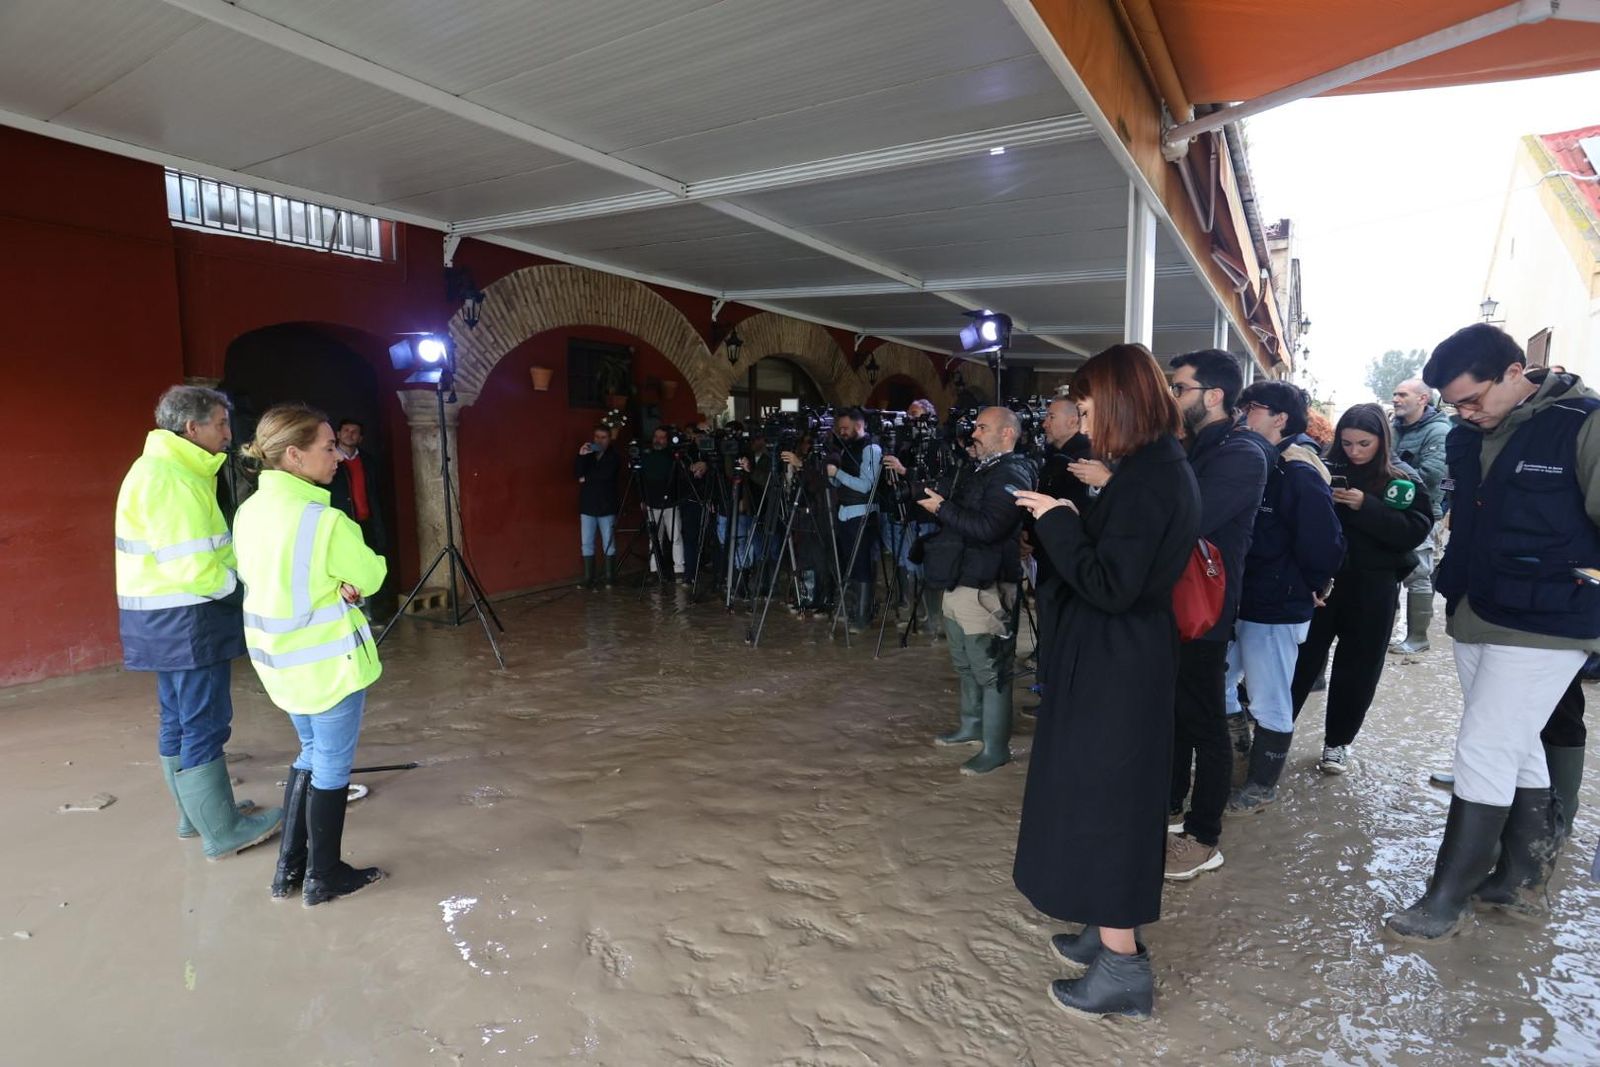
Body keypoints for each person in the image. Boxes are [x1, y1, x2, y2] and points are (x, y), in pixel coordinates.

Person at [1386, 326, 1600, 940]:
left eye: (1473, 398)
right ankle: (1519, 878)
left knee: (1482, 745)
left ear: (1515, 372)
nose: (1465, 412)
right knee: (1514, 740)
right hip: (1479, 609)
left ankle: (1446, 896)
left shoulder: (1583, 423)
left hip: (1551, 620)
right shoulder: (1462, 436)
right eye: (1455, 404)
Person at [1010, 344, 1200, 1020]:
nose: (1084, 422)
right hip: (1117, 658)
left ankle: (1122, 966)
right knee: (1093, 795)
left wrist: (1058, 520)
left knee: (1110, 803)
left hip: (1119, 663)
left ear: (1119, 401)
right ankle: (1103, 924)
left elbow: (1112, 584)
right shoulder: (1151, 467)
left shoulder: (1153, 477)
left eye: (1088, 408)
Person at [115, 385, 283, 858]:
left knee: (178, 719)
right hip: (186, 619)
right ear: (192, 428)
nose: (229, 434)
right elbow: (195, 566)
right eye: (221, 424)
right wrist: (248, 593)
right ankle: (223, 831)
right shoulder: (173, 478)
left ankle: (198, 815)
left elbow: (202, 550)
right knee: (206, 722)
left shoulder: (159, 469)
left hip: (160, 618)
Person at [235, 404, 388, 906]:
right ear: (296, 456)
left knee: (309, 753)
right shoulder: (326, 521)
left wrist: (330, 584)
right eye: (328, 447)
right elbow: (372, 576)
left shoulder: (249, 510)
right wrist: (347, 583)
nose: (339, 456)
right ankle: (325, 876)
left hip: (278, 662)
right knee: (332, 768)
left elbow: (279, 578)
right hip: (327, 667)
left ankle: (288, 870)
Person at [1164, 350, 1270, 881]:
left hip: (1204, 612)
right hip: (1176, 605)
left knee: (1206, 721)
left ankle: (1205, 837)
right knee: (1178, 714)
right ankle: (1174, 810)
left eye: (1179, 388)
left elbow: (1187, 519)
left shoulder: (1242, 453)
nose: (1172, 396)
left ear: (1213, 396)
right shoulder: (1197, 446)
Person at [1288, 404, 1433, 774]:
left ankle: (1337, 744)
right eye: (1347, 442)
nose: (1354, 451)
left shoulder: (1402, 476)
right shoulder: (1323, 466)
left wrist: (1366, 506)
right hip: (1320, 584)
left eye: (1363, 444)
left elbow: (1415, 530)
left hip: (1374, 586)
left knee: (1359, 668)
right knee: (1298, 662)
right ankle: (1276, 735)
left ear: (1382, 441)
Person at [1224, 381, 1346, 816]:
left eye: (1253, 407)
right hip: (1242, 597)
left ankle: (1261, 785)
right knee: (1220, 682)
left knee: (1270, 697)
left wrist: (1308, 586)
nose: (1242, 414)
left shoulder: (1297, 469)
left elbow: (1327, 543)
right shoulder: (1258, 459)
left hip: (1276, 603)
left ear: (1280, 418)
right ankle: (1236, 764)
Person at [918, 407, 1036, 774]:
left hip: (986, 584)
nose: (974, 433)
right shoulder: (982, 468)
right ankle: (971, 726)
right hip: (962, 578)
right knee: (965, 663)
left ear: (1007, 434)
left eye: (983, 428)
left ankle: (996, 747)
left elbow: (989, 528)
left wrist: (942, 508)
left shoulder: (1011, 472)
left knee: (991, 669)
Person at [1028, 396, 1095, 690]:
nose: (1044, 423)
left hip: (1066, 563)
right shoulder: (1053, 456)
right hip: (1047, 555)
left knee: (1059, 625)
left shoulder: (1087, 460)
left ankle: (1054, 689)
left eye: (1051, 416)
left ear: (1073, 420)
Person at [1389, 379, 1451, 654]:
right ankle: (1385, 632)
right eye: (1394, 394)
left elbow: (1431, 476)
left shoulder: (1439, 431)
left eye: (1403, 394)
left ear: (1423, 398)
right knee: (1388, 571)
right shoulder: (1393, 427)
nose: (1396, 399)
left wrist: (1387, 477)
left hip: (1422, 514)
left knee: (1418, 573)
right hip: (1389, 510)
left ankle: (1417, 637)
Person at [882, 398, 942, 624]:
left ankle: (932, 616)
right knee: (909, 562)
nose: (910, 420)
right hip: (907, 511)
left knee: (924, 564)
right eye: (908, 415)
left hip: (927, 512)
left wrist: (903, 469)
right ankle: (914, 608)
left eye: (915, 415)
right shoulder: (906, 443)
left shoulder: (936, 445)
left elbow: (932, 481)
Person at [827, 408, 883, 632]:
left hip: (863, 514)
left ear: (859, 425)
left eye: (846, 428)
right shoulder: (844, 447)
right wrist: (833, 479)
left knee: (861, 566)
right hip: (845, 512)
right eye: (839, 428)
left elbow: (866, 485)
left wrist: (837, 475)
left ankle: (862, 616)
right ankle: (848, 607)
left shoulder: (871, 449)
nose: (842, 432)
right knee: (846, 563)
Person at [575, 424, 622, 588]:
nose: (599, 440)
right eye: (597, 437)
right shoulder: (588, 454)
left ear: (609, 439)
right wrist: (581, 456)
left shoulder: (614, 456)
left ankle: (610, 576)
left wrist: (586, 479)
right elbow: (577, 473)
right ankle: (589, 578)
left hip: (606, 505)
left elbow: (605, 475)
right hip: (588, 505)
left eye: (603, 437)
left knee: (608, 542)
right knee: (586, 542)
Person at [639, 426, 685, 581]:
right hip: (652, 502)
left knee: (676, 537)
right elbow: (641, 479)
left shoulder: (673, 457)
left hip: (671, 502)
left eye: (661, 437)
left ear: (667, 439)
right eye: (655, 436)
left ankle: (679, 569)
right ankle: (655, 570)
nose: (657, 440)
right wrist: (643, 499)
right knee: (654, 539)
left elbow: (679, 479)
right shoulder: (646, 456)